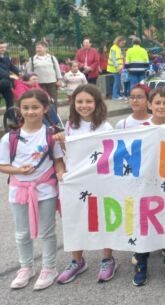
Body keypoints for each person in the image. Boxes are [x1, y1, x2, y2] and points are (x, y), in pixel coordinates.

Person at [0, 89, 65, 290]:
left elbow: (58, 162)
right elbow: (2, 165)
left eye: (35, 107)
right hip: (18, 191)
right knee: (21, 233)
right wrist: (19, 170)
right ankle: (26, 267)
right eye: (26, 107)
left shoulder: (50, 135)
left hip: (45, 189)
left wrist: (62, 174)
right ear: (20, 109)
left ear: (45, 108)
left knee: (47, 232)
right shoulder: (9, 138)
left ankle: (49, 268)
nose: (30, 112)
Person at [54, 84, 116, 284]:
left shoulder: (104, 126)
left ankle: (107, 258)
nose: (84, 105)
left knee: (103, 218)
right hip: (76, 181)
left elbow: (112, 152)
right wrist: (61, 142)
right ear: (74, 103)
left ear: (97, 103)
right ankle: (77, 261)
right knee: (76, 220)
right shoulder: (70, 124)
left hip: (100, 180)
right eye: (80, 101)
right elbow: (68, 151)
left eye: (89, 101)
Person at [133, 88, 165, 286]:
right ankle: (140, 260)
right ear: (150, 105)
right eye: (157, 102)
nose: (161, 106)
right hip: (143, 185)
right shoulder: (138, 129)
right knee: (142, 221)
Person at [26, 41, 62, 108]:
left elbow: (57, 69)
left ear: (46, 49)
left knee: (53, 100)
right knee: (42, 100)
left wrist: (59, 79)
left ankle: (54, 116)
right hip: (39, 84)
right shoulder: (32, 59)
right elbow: (29, 72)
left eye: (39, 47)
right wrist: (30, 81)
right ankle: (44, 117)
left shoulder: (52, 58)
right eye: (36, 48)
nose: (37, 49)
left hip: (52, 83)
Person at [106, 36, 126, 100]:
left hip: (118, 68)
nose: (123, 45)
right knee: (117, 82)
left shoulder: (117, 48)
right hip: (115, 68)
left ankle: (118, 95)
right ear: (119, 41)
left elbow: (119, 58)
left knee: (118, 82)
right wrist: (118, 67)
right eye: (122, 43)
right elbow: (113, 59)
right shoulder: (114, 48)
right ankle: (115, 96)